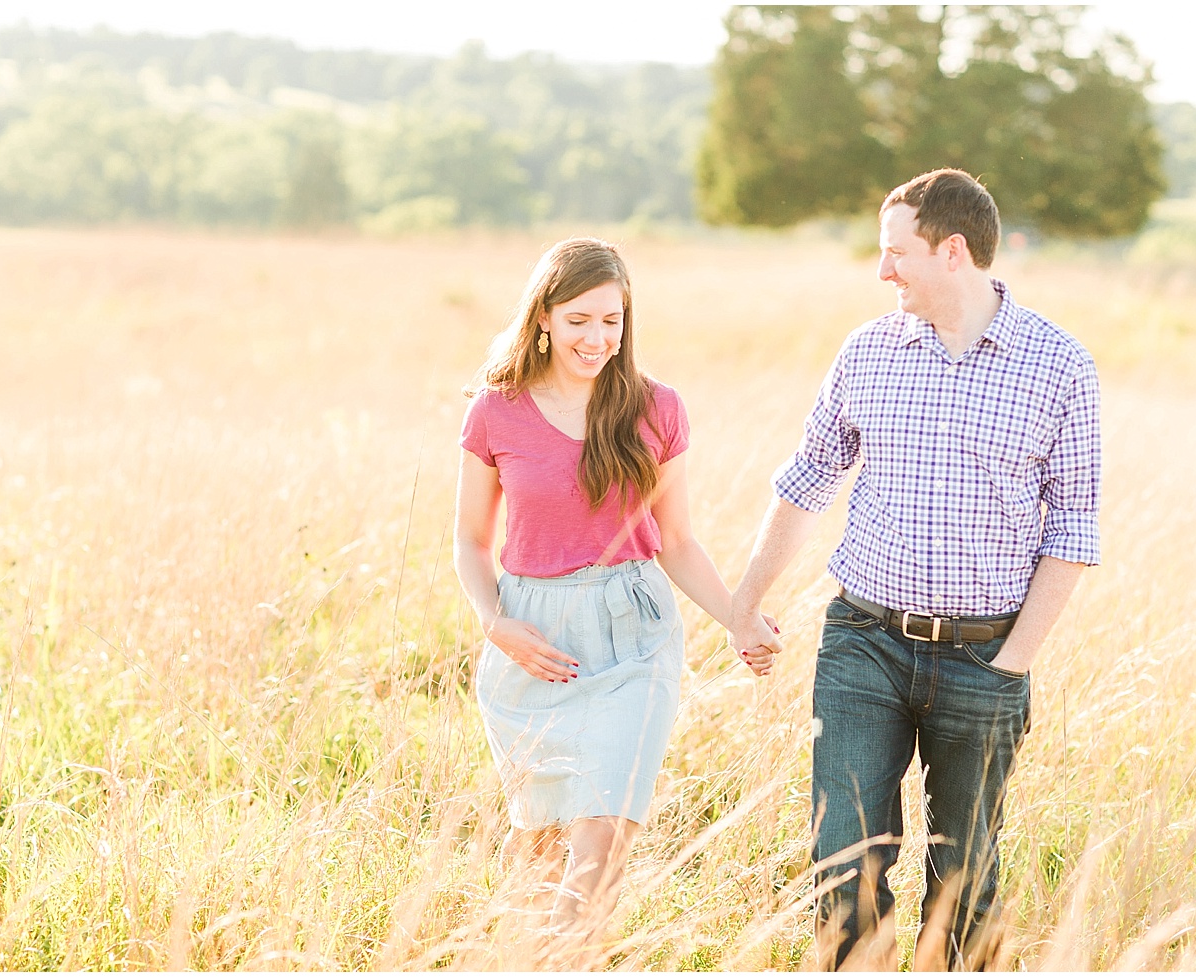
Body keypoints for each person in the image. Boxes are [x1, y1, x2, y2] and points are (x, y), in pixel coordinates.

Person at [729, 169, 1101, 969]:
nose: (882, 269)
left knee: (965, 878)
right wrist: (744, 601)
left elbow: (1074, 527)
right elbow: (806, 480)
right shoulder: (866, 351)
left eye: (896, 251)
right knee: (845, 860)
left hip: (986, 657)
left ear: (953, 250)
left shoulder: (1060, 366)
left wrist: (1013, 664)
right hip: (863, 645)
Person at [453, 237, 776, 952]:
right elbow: (471, 542)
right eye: (578, 321)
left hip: (634, 634)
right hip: (531, 636)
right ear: (542, 317)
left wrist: (739, 617)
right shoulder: (495, 412)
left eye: (612, 321)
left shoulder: (657, 408)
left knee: (601, 842)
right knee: (537, 850)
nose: (597, 338)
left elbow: (677, 542)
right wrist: (494, 621)